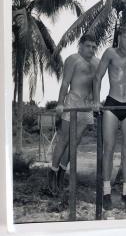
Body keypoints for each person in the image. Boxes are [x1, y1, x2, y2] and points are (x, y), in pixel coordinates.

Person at [93, 26, 126, 213]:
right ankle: (106, 193)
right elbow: (97, 78)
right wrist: (97, 101)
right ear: (119, 38)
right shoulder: (110, 53)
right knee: (109, 149)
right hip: (112, 104)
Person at [48, 34, 99, 195]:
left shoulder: (97, 62)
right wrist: (60, 103)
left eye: (93, 47)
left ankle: (61, 176)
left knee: (74, 143)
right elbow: (64, 83)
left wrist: (96, 101)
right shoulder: (73, 59)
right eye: (88, 46)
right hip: (72, 103)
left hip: (87, 107)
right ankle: (52, 175)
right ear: (81, 46)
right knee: (64, 140)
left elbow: (96, 85)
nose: (91, 49)